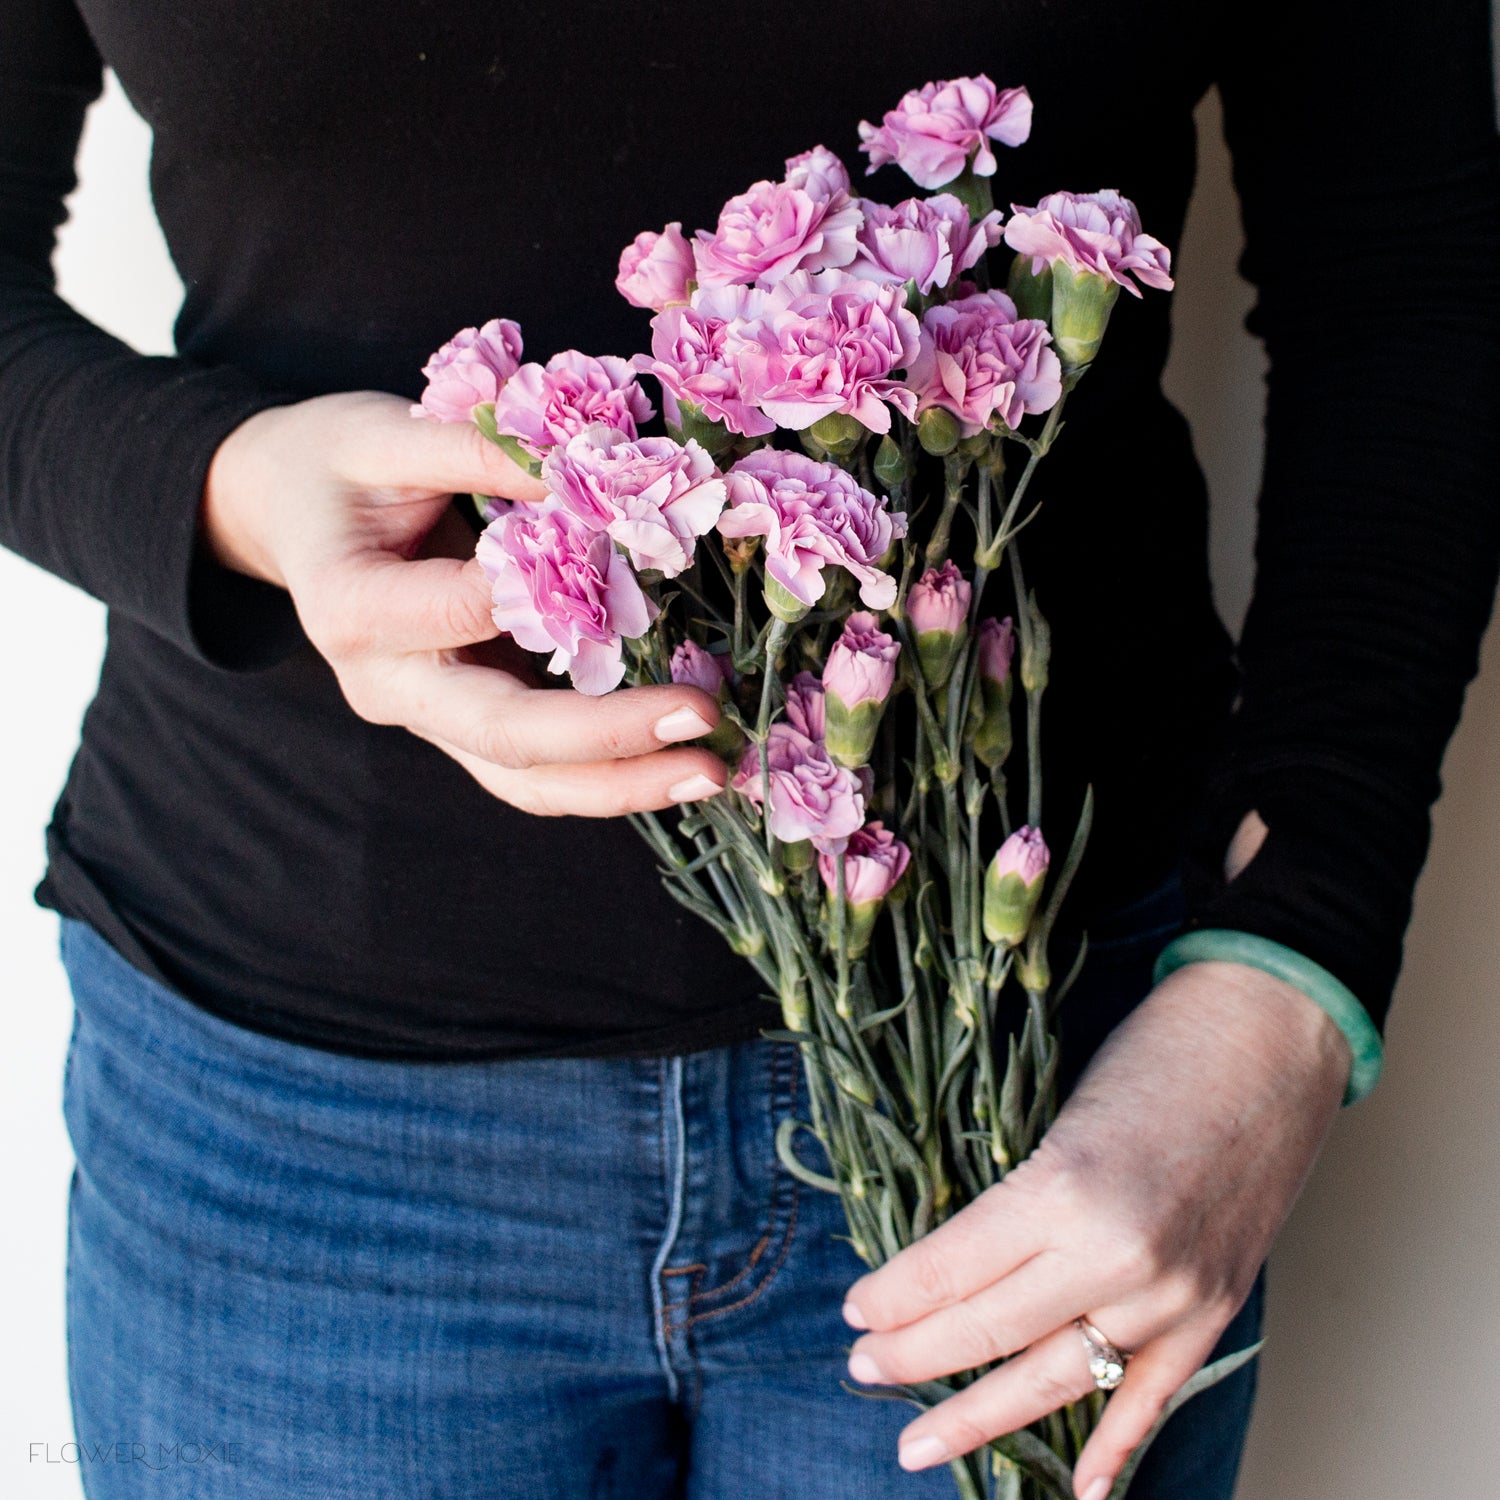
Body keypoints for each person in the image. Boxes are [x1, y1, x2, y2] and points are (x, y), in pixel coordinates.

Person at [3, 2, 1497, 1498]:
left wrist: (1285, 990)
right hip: (289, 1122)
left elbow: (1416, 286)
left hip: (1041, 1094)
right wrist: (225, 491)